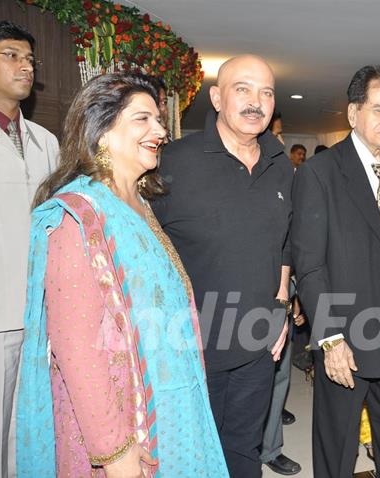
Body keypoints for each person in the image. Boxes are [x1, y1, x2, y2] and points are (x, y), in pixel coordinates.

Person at [15, 72, 227, 477]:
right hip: (124, 424)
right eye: (142, 119)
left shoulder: (140, 204)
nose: (160, 131)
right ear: (102, 131)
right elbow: (77, 349)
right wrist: (115, 453)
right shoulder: (79, 216)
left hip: (171, 407)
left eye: (159, 120)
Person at [152, 55, 292, 478]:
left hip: (259, 340)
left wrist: (281, 306)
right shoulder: (171, 161)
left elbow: (285, 242)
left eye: (266, 92)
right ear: (216, 98)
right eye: (243, 89)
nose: (257, 102)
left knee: (244, 447)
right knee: (194, 452)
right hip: (190, 344)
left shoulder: (280, 163)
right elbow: (144, 248)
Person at [291, 64, 380, 477]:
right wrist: (329, 338)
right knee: (337, 450)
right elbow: (309, 264)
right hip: (344, 341)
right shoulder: (319, 173)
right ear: (353, 114)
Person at [0, 20, 58, 478]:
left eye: (30, 58)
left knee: (25, 433)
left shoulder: (45, 143)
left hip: (38, 315)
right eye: (12, 55)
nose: (25, 66)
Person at [260, 115, 302, 476]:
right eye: (277, 134)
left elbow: (292, 240)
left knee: (279, 374)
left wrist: (291, 293)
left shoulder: (283, 177)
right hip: (235, 297)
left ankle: (270, 447)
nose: (281, 140)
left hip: (280, 292)